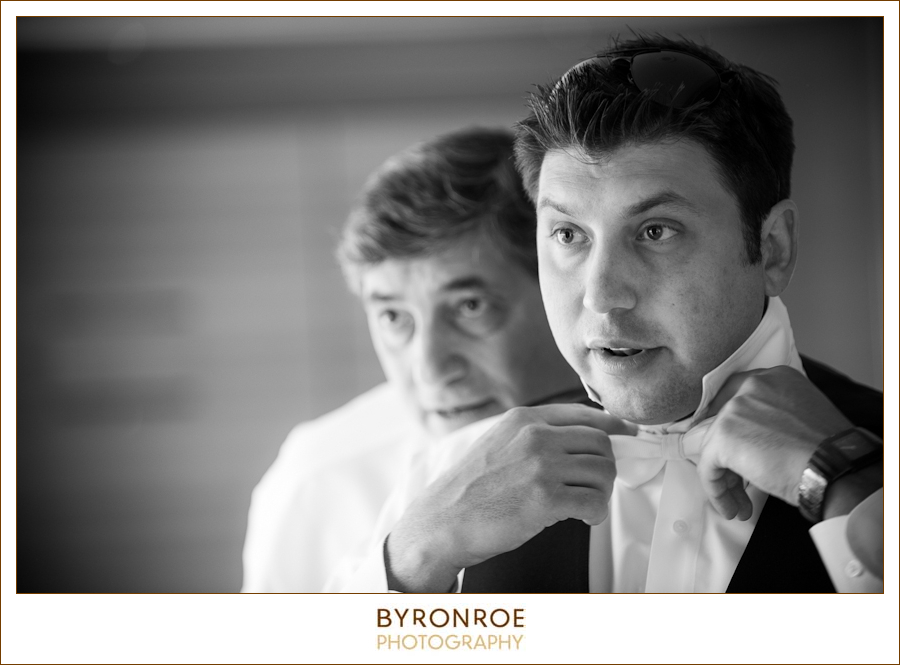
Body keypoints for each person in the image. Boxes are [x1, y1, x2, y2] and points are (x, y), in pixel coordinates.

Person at [335, 35, 883, 593]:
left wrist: (848, 482)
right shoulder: (449, 479)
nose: (600, 295)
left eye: (656, 231)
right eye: (568, 234)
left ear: (772, 249)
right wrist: (416, 558)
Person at [241, 127, 583, 592]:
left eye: (470, 306)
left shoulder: (673, 439)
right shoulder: (317, 481)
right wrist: (410, 561)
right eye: (393, 317)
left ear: (560, 289)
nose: (429, 369)